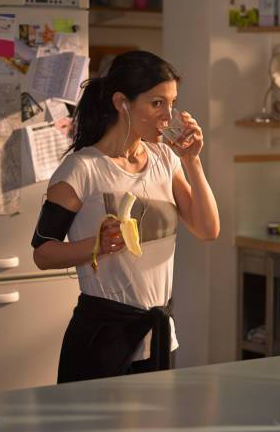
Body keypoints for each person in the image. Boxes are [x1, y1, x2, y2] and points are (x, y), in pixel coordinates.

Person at [31, 51, 220, 383]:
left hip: (159, 334)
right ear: (122, 103)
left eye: (172, 104)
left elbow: (208, 230)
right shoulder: (81, 169)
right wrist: (97, 245)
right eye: (157, 104)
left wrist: (192, 161)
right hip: (102, 337)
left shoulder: (165, 159)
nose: (168, 116)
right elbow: (43, 253)